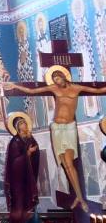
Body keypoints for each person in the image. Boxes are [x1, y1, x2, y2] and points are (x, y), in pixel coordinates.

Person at [7, 69, 106, 211]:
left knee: (70, 164)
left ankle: (80, 197)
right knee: (66, 165)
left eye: (57, 78)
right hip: (57, 128)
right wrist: (15, 86)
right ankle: (78, 197)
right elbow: (33, 91)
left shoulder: (77, 88)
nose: (56, 82)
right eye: (54, 80)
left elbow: (97, 90)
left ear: (63, 77)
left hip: (69, 128)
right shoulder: (54, 88)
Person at [4, 114, 42, 223]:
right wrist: (27, 154)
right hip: (19, 187)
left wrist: (33, 153)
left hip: (29, 185)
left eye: (25, 124)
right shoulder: (14, 142)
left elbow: (36, 159)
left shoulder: (31, 140)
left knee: (33, 216)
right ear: (17, 128)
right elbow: (14, 164)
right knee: (21, 216)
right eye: (22, 125)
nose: (25, 126)